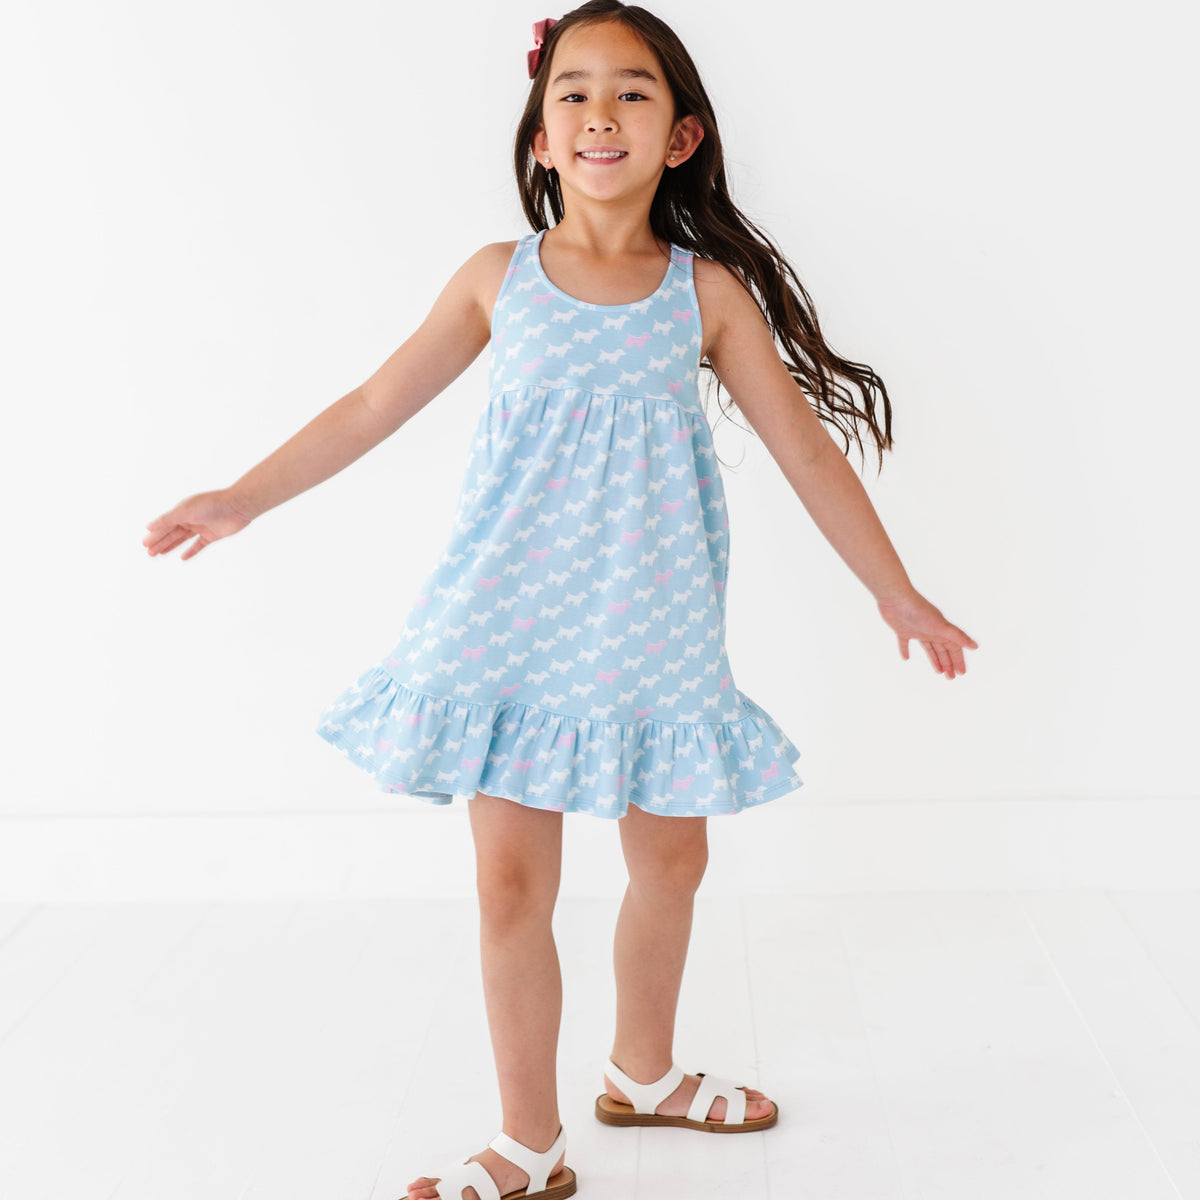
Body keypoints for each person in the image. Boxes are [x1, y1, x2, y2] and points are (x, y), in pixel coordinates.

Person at [143, 3, 978, 1197]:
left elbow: (803, 452)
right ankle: (530, 1143)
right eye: (572, 91)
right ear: (541, 137)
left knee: (672, 865)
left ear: (681, 137)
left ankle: (644, 1072)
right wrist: (244, 496)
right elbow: (375, 406)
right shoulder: (499, 280)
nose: (600, 112)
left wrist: (897, 593)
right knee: (507, 885)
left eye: (632, 92)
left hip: (654, 634)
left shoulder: (708, 294)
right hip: (506, 624)